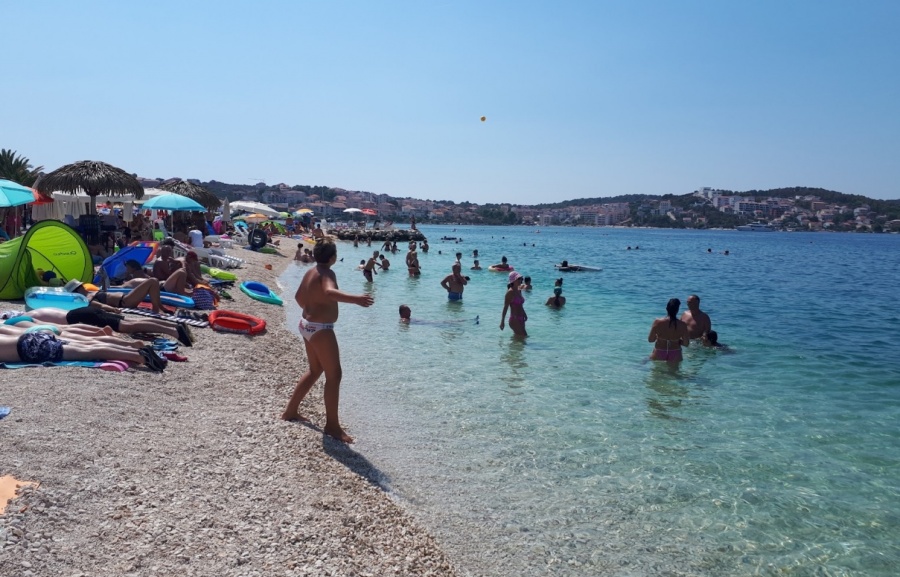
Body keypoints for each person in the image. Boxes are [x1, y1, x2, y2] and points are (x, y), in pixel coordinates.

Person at [281, 238, 374, 443]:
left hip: (306, 324)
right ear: (333, 258)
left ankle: (290, 411)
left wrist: (312, 308)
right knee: (335, 375)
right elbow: (329, 292)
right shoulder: (327, 273)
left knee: (315, 370)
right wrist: (357, 299)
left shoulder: (310, 272)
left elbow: (298, 297)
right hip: (320, 329)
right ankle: (332, 426)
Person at [7, 306, 193, 347]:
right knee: (130, 322)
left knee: (128, 326)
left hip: (78, 317)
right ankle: (174, 325)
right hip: (83, 311)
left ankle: (174, 331)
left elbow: (52, 328)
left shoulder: (28, 318)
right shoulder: (37, 309)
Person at [0, 329, 167, 372]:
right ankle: (139, 352)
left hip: (29, 349)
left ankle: (140, 357)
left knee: (89, 351)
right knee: (87, 346)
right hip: (32, 337)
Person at [66, 278, 167, 315]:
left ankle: (160, 307)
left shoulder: (90, 292)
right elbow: (101, 306)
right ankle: (156, 309)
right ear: (78, 290)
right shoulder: (88, 299)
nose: (83, 286)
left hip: (126, 298)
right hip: (125, 302)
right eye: (81, 286)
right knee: (152, 281)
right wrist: (113, 310)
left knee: (154, 282)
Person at [648, 298, 690, 364]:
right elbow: (686, 343)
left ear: (666, 308)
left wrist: (658, 337)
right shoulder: (682, 325)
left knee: (657, 370)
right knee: (674, 371)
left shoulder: (657, 322)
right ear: (677, 310)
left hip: (659, 351)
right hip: (675, 352)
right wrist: (678, 341)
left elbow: (650, 340)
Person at [500, 271, 527, 337]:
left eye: (521, 278)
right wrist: (502, 321)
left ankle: (512, 344)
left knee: (519, 338)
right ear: (513, 280)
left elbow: (520, 305)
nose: (521, 280)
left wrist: (524, 314)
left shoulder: (519, 290)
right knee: (524, 336)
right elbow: (505, 307)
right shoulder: (510, 292)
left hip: (521, 317)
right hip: (514, 319)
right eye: (519, 279)